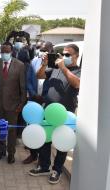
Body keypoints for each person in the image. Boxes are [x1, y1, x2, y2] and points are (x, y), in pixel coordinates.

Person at [29, 44, 81, 184]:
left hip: (65, 114)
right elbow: (39, 75)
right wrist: (44, 65)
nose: (64, 57)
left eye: (68, 55)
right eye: (63, 54)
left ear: (76, 56)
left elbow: (76, 84)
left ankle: (56, 170)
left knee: (61, 142)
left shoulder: (78, 71)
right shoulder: (55, 68)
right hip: (48, 111)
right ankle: (44, 167)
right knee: (46, 140)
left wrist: (64, 68)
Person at [0, 41, 26, 164]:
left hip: (13, 105)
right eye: (2, 51)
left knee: (11, 130)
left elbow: (23, 86)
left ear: (11, 52)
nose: (4, 53)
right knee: (0, 128)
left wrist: (22, 104)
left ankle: (11, 153)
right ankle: (1, 151)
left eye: (7, 51)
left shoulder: (20, 65)